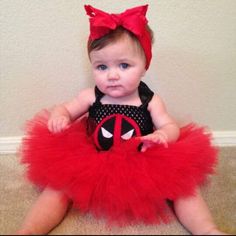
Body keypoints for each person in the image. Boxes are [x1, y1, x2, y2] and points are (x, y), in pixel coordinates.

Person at [17, 5, 226, 235]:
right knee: (58, 186)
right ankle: (29, 231)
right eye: (101, 66)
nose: (112, 75)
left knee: (184, 187)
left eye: (124, 65)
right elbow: (65, 109)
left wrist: (162, 135)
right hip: (93, 160)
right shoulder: (90, 96)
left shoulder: (150, 100)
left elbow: (170, 126)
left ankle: (207, 230)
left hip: (142, 160)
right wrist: (60, 116)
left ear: (144, 66)